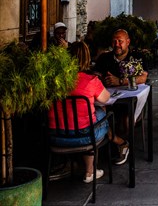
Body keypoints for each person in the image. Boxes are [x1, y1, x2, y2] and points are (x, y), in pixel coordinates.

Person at [48, 41, 127, 182]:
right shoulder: (91, 80)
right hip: (84, 137)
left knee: (85, 116)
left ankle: (71, 164)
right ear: (87, 58)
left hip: (55, 136)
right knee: (101, 113)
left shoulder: (55, 79)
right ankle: (90, 171)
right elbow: (106, 98)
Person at [93, 29, 148, 164]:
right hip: (107, 101)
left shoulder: (137, 57)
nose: (117, 44)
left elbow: (143, 77)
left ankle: (122, 144)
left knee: (126, 120)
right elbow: (95, 76)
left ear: (127, 42)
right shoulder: (104, 58)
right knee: (97, 114)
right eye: (114, 41)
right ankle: (117, 142)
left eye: (120, 41)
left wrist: (120, 81)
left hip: (129, 101)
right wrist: (101, 79)